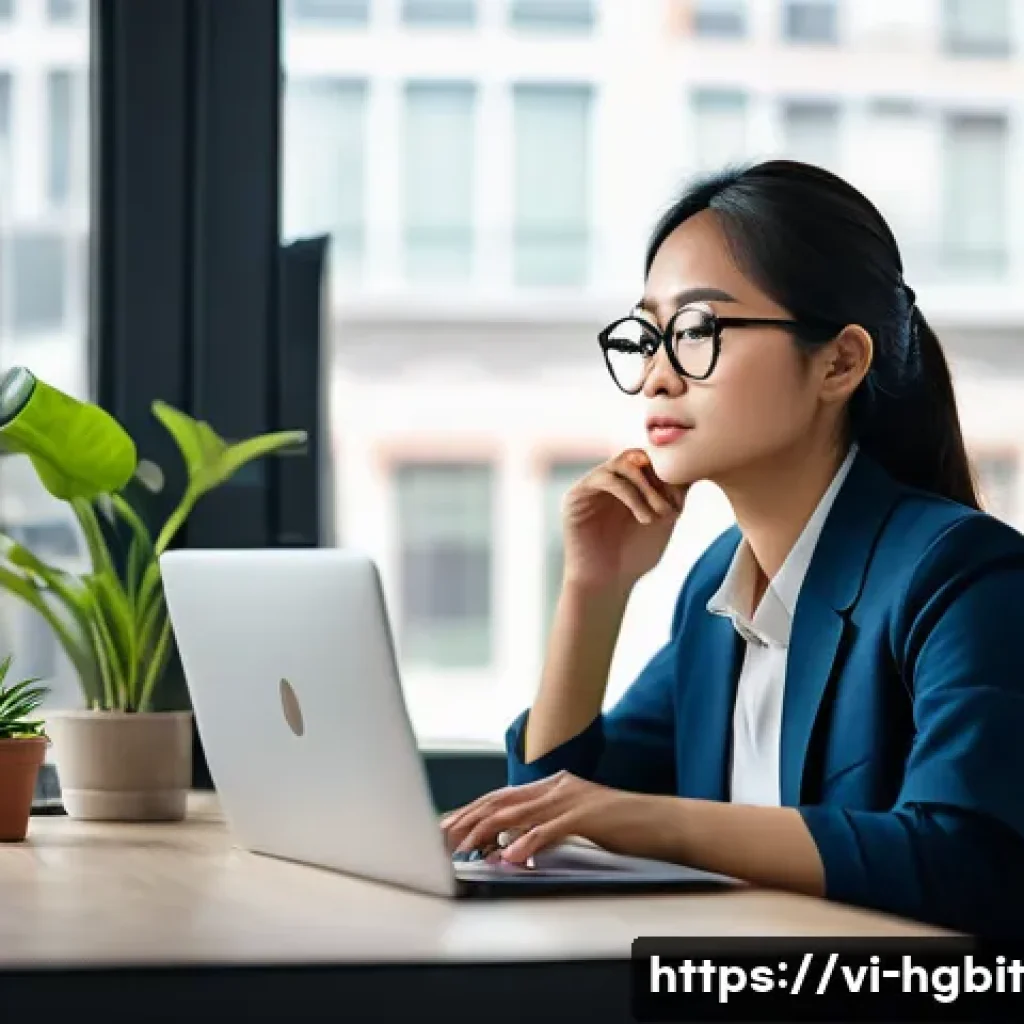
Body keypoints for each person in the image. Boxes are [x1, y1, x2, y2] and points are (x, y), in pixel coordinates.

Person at [439, 159, 1024, 937]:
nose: (655, 376)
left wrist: (662, 824)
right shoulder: (720, 584)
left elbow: (964, 859)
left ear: (841, 362)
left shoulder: (963, 575)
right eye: (651, 334)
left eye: (699, 331)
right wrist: (594, 588)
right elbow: (549, 816)